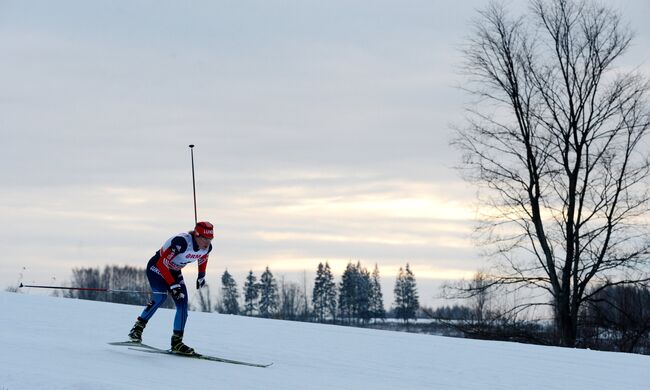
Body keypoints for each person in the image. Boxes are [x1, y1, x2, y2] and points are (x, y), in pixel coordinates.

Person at [128, 221, 214, 354]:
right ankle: (137, 329)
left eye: (210, 238)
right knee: (161, 297)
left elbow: (203, 258)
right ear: (196, 235)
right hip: (157, 268)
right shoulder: (182, 242)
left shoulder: (207, 248)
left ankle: (177, 342)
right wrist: (173, 285)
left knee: (182, 303)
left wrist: (201, 275)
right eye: (205, 238)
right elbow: (162, 263)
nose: (207, 242)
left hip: (174, 271)